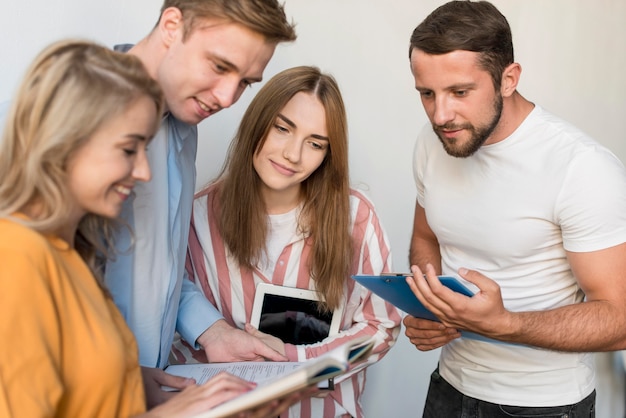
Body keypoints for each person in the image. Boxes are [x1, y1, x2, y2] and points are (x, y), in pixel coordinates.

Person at [0, 38, 301, 418]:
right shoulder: (16, 260)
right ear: (65, 143)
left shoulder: (75, 262)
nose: (144, 172)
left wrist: (130, 382)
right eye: (128, 150)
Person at [403, 1, 626, 417]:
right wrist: (431, 306)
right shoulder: (433, 142)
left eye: (460, 92)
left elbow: (620, 320)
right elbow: (425, 237)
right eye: (427, 94)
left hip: (543, 406)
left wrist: (507, 323)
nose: (441, 114)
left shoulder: (581, 168)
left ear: (509, 79)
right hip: (448, 388)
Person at [170, 66, 403, 418]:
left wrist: (296, 361)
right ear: (258, 123)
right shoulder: (197, 216)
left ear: (328, 154)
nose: (293, 154)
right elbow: (174, 323)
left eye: (315, 143)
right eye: (283, 128)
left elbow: (380, 327)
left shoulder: (356, 217)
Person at [100, 0, 298, 407]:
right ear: (172, 26)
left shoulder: (182, 126)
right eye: (220, 66)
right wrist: (118, 378)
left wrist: (211, 331)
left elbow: (156, 262)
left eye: (245, 82)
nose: (228, 98)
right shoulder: (74, 112)